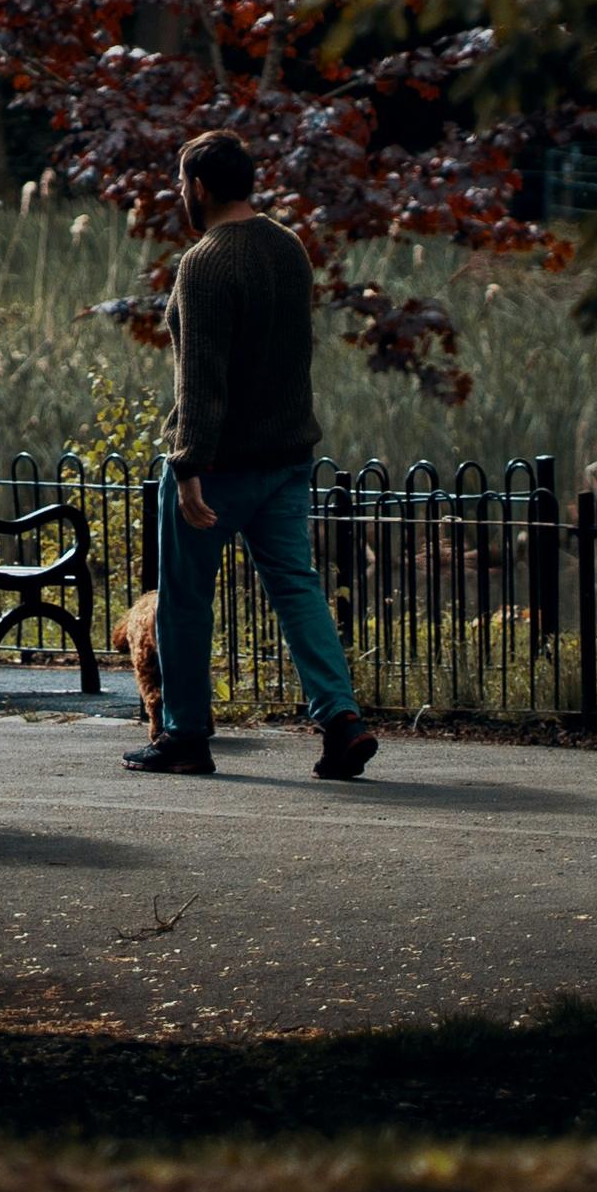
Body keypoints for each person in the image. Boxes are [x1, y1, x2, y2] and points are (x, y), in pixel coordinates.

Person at [127, 129, 380, 780]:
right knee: (298, 588)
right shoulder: (289, 248)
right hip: (288, 456)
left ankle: (185, 734)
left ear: (200, 187)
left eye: (183, 184)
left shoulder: (205, 262)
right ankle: (341, 718)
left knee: (185, 597)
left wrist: (187, 467)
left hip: (220, 467)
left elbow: (201, 380)